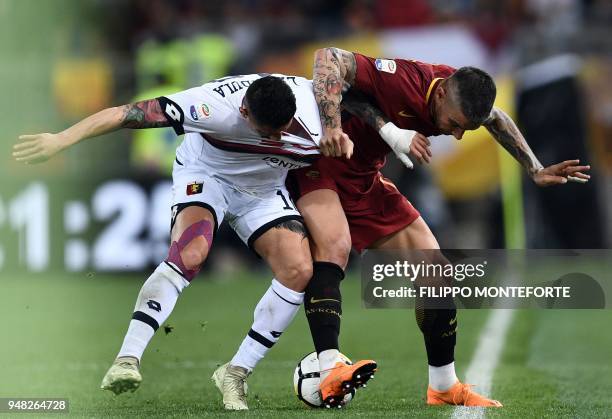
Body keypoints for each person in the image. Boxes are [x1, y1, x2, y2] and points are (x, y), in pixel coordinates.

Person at [13, 74, 375, 410]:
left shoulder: (312, 104)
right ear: (244, 111)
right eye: (267, 132)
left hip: (263, 191)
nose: (276, 139)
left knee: (298, 270)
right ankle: (127, 358)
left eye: (281, 131)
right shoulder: (209, 108)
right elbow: (126, 114)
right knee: (191, 253)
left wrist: (394, 135)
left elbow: (362, 95)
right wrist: (60, 139)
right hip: (208, 175)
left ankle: (235, 373)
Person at [288, 48, 591, 407]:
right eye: (457, 124)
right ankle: (329, 368)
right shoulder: (402, 79)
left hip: (364, 178)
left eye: (467, 128)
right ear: (443, 91)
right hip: (322, 162)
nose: (459, 135)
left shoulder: (461, 97)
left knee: (435, 271)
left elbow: (498, 119)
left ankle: (444, 387)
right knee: (335, 246)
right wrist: (348, 127)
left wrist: (535, 168)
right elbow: (328, 59)